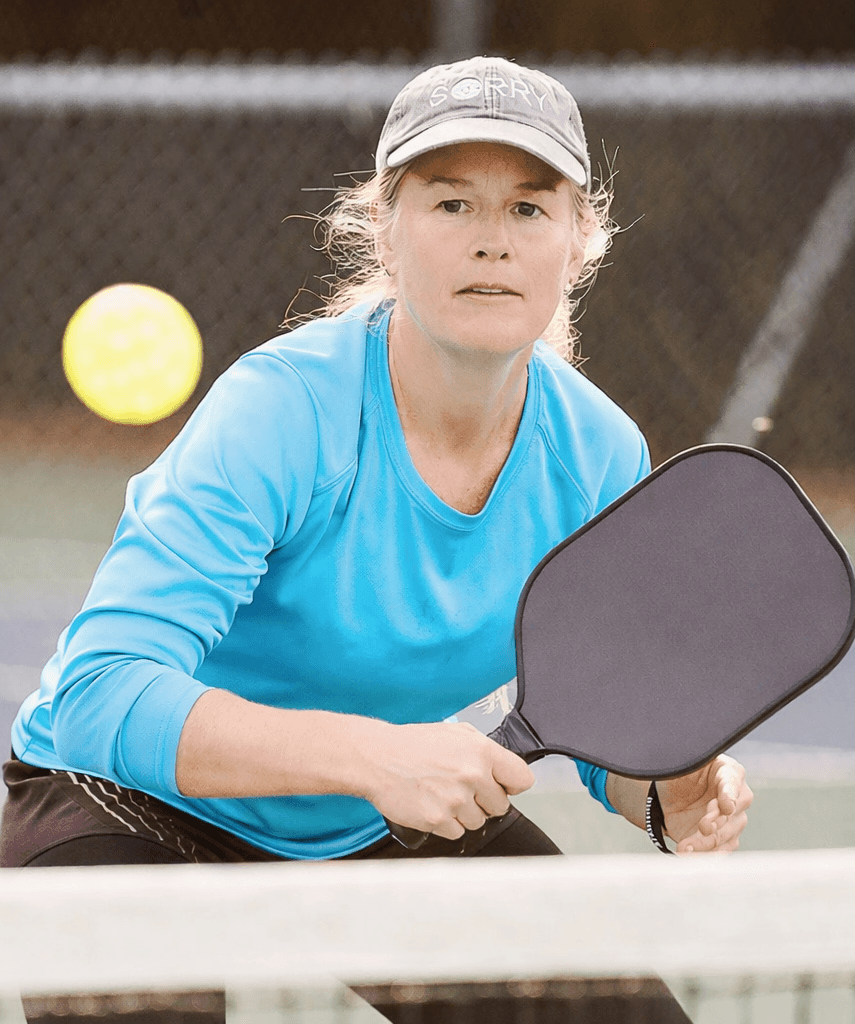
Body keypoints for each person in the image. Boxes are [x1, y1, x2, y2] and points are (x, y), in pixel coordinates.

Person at [1, 56, 752, 1023]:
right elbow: (104, 691)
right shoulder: (282, 411)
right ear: (385, 234)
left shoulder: (599, 452)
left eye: (529, 209)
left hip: (380, 812)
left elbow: (592, 713)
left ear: (578, 242)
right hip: (127, 803)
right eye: (451, 206)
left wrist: (665, 789)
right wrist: (377, 758)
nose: (493, 242)